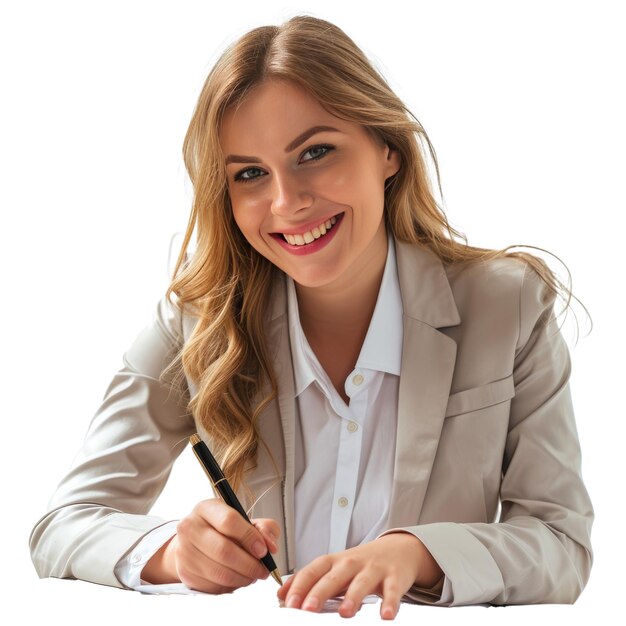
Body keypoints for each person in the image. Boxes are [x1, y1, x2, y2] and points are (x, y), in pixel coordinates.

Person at [29, 14, 594, 620]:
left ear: (388, 150)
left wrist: (420, 554)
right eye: (249, 173)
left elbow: (561, 546)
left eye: (315, 152)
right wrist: (173, 555)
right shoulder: (193, 322)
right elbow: (63, 527)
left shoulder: (507, 304)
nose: (286, 202)